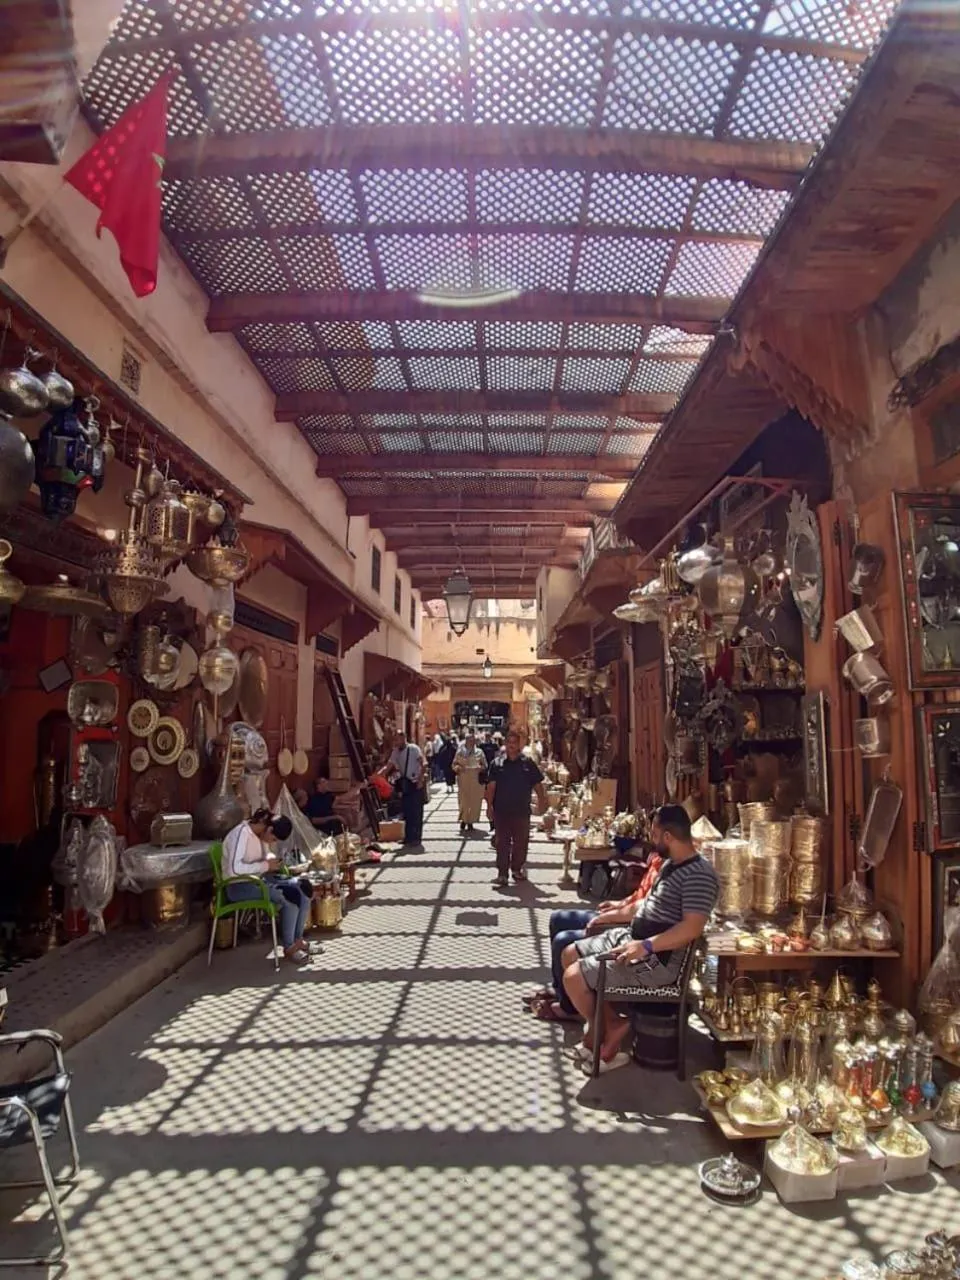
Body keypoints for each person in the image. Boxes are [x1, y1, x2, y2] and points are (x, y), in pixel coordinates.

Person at [560, 805, 719, 1073]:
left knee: (573, 977)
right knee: (569, 954)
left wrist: (646, 946)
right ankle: (611, 1026)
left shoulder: (699, 875)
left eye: (655, 834)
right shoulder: (673, 864)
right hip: (634, 938)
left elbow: (692, 928)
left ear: (668, 836)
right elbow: (647, 904)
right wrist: (613, 914)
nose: (651, 839)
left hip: (659, 960)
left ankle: (602, 1035)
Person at [525, 850, 665, 1023]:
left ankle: (570, 1009)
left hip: (630, 925)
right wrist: (618, 904)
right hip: (625, 913)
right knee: (558, 919)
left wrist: (610, 916)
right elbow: (640, 896)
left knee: (564, 940)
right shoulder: (659, 859)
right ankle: (561, 991)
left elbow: (645, 908)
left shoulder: (671, 870)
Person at [222, 809, 313, 965]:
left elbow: (265, 856)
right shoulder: (241, 834)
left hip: (258, 880)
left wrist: (272, 860)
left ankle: (298, 940)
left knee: (303, 889)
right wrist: (265, 866)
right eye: (274, 838)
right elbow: (234, 869)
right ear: (269, 829)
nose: (272, 842)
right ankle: (289, 947)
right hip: (238, 886)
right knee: (288, 896)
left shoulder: (261, 835)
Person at [485, 730, 547, 887]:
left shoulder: (528, 763)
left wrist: (542, 802)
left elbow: (538, 785)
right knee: (502, 843)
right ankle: (502, 873)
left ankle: (517, 869)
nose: (512, 745)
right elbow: (491, 787)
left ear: (519, 744)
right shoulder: (496, 764)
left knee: (521, 842)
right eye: (509, 742)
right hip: (501, 811)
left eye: (515, 742)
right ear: (505, 744)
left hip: (521, 811)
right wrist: (489, 807)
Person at [387, 729, 426, 847]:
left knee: (416, 812)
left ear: (404, 738)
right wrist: (377, 775)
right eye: (395, 739)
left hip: (415, 783)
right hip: (405, 784)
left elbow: (424, 763)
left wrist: (420, 780)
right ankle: (408, 837)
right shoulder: (396, 752)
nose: (396, 742)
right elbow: (389, 765)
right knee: (406, 810)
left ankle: (416, 838)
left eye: (397, 739)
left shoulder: (413, 749)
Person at [453, 731, 485, 834]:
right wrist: (459, 768)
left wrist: (480, 768)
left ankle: (471, 821)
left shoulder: (479, 752)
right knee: (464, 800)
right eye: (470, 740)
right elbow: (454, 765)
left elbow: (485, 765)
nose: (472, 742)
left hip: (475, 780)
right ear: (466, 741)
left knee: (474, 801)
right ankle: (464, 819)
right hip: (463, 779)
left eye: (473, 740)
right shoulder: (460, 753)